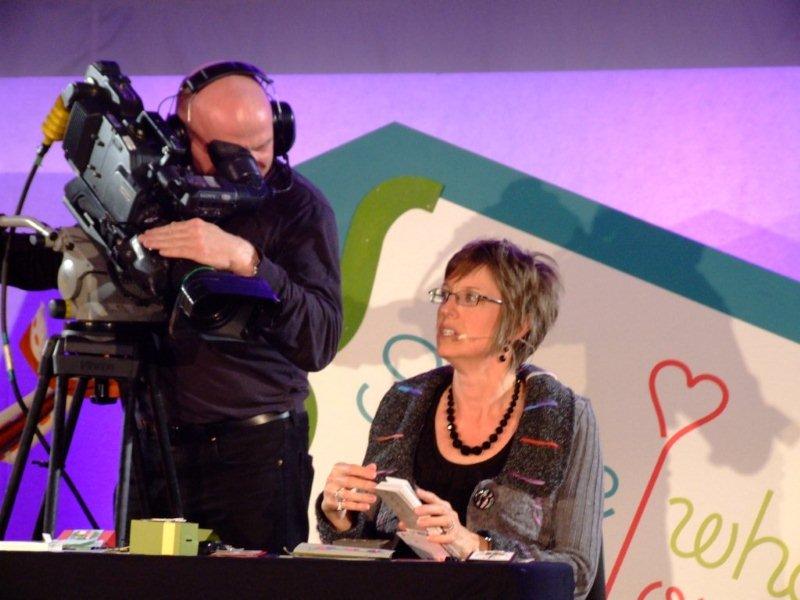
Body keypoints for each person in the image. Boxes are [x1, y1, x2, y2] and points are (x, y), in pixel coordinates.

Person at [1, 61, 342, 552]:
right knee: (141, 582)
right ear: (183, 137)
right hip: (152, 446)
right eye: (231, 151)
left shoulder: (301, 208)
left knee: (254, 588)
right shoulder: (155, 190)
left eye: (264, 146)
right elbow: (66, 260)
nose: (252, 165)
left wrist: (247, 261)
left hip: (256, 458)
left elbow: (320, 339)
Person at [317, 239, 602, 598]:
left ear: (519, 325)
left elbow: (577, 572)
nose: (447, 309)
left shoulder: (566, 417)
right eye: (446, 295)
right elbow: (369, 551)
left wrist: (474, 546)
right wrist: (340, 517)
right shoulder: (402, 403)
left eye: (471, 298)